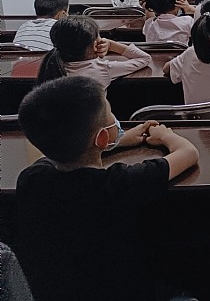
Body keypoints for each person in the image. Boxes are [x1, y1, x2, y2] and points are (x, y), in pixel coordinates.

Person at [15, 76, 199, 301]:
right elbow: (188, 153)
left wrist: (116, 141)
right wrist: (166, 135)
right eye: (111, 113)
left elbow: (60, 154)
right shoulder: (119, 183)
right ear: (102, 137)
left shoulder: (31, 180)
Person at [36, 15, 150, 87]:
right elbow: (144, 58)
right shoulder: (104, 68)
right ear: (95, 45)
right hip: (97, 119)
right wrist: (111, 45)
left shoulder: (50, 67)